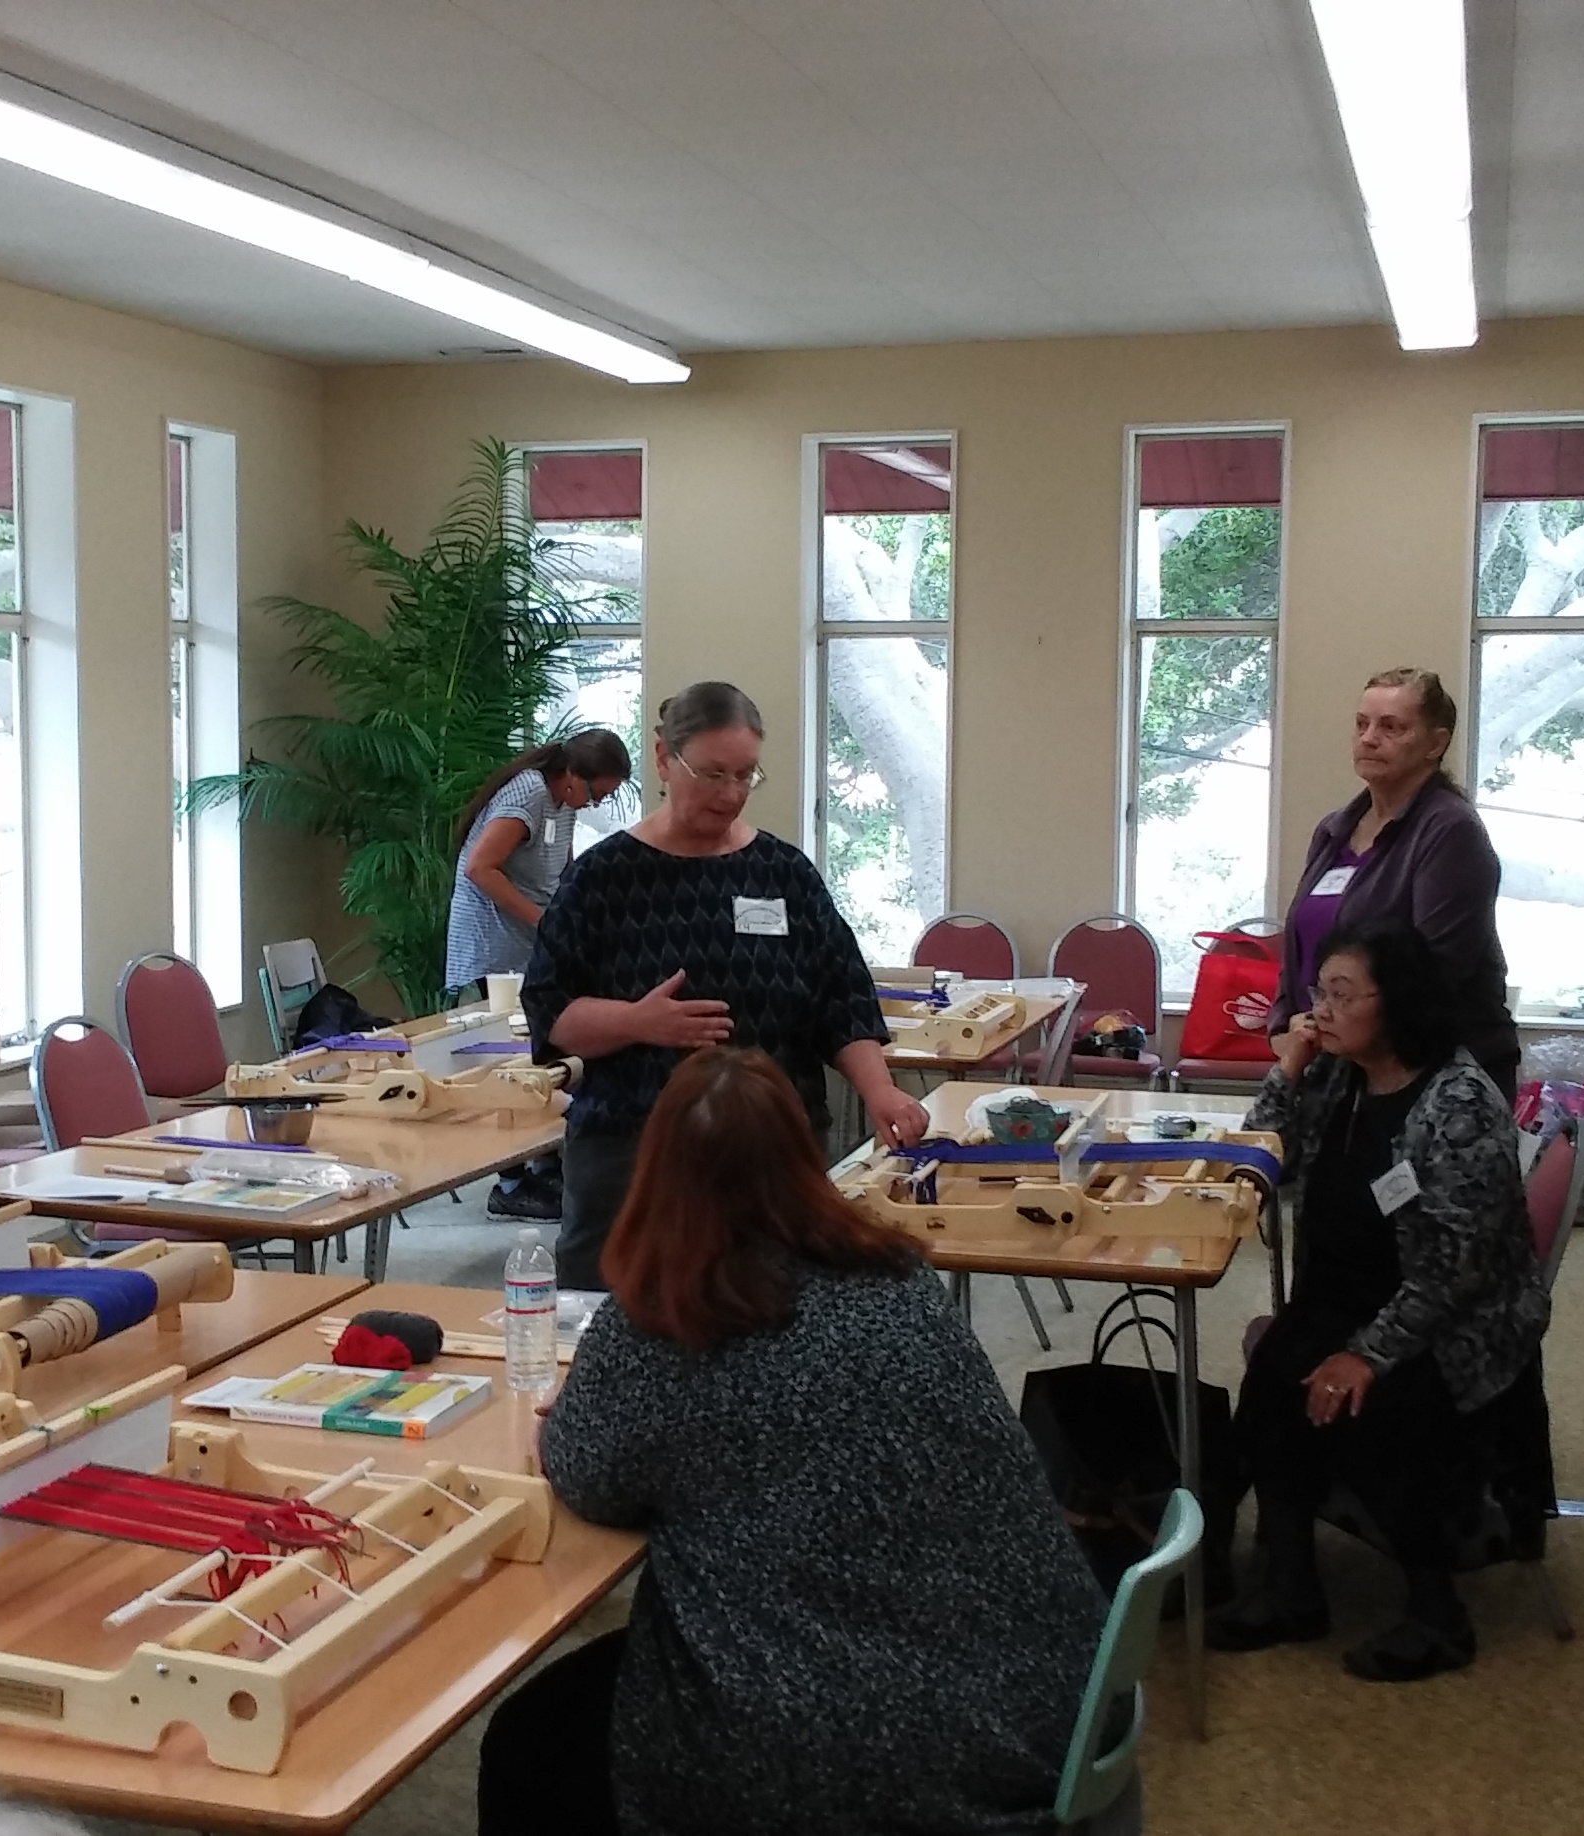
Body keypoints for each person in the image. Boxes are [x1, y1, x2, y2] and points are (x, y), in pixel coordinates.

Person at [477, 1049, 1113, 1836]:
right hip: (1044, 1698)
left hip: (861, 1754)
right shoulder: (900, 1281)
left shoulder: (662, 1326)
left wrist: (581, 1404)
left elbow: (584, 1474)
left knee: (530, 1741)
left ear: (658, 1171)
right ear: (801, 1158)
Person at [1208, 922, 1545, 1682]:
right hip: (1345, 1295)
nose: (1318, 1010)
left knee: (1378, 1402)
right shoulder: (1338, 1076)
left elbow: (1456, 1273)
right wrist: (1287, 1070)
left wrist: (1365, 1353)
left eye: (1340, 995)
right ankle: (1291, 1587)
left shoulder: (1458, 1103)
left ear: (1395, 1004)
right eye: (1317, 992)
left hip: (1453, 1324)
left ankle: (1437, 1614)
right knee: (1273, 1380)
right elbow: (1258, 1163)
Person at [521, 682, 927, 1291]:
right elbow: (551, 1016)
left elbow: (841, 999)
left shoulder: (784, 873)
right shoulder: (602, 879)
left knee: (781, 1315)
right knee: (619, 1320)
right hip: (635, 1149)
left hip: (774, 1146)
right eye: (711, 774)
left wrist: (881, 1092)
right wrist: (638, 1022)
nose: (730, 794)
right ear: (663, 758)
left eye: (745, 776)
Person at [1273, 667, 1520, 1094]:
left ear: (1436, 744)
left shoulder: (1450, 831)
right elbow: (1301, 947)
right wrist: (1286, 1028)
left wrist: (1335, 1026)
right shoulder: (1334, 830)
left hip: (1430, 1079)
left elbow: (1435, 975)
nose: (1369, 738)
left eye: (1391, 727)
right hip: (1334, 1067)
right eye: (1361, 724)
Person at [446, 729, 632, 1220]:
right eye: (597, 793)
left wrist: (575, 907)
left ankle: (544, 1166)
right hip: (494, 937)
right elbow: (480, 867)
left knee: (547, 1049)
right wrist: (543, 920)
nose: (596, 802)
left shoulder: (563, 800)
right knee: (518, 1051)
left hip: (532, 935)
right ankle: (509, 1183)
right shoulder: (528, 791)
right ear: (572, 775)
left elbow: (561, 864)